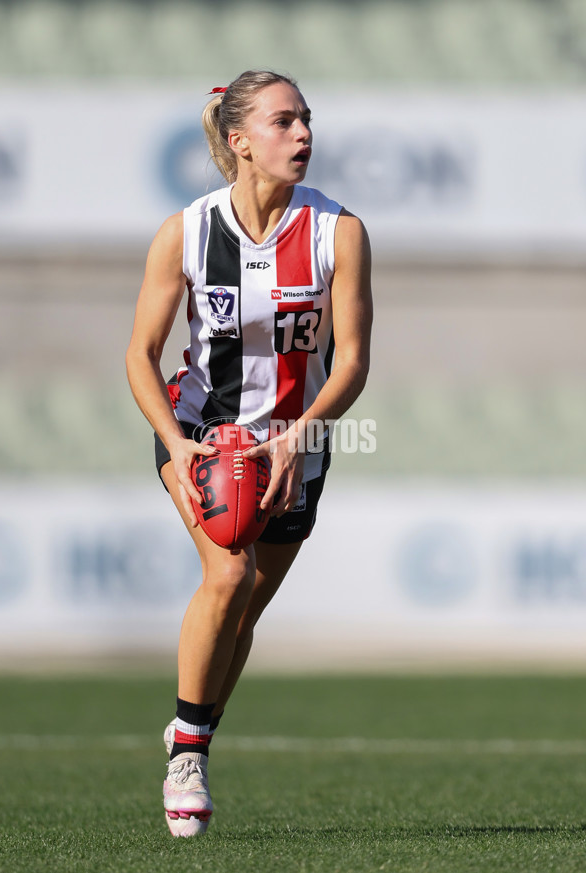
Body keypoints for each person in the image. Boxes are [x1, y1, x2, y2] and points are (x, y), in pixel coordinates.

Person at [125, 69, 372, 838]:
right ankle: (189, 753)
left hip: (298, 442)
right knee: (227, 570)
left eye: (306, 120)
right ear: (239, 141)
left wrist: (301, 435)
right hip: (203, 432)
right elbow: (140, 352)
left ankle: (196, 721)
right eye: (283, 122)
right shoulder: (187, 232)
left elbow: (354, 360)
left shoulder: (339, 231)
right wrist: (178, 443)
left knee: (245, 608)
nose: (303, 135)